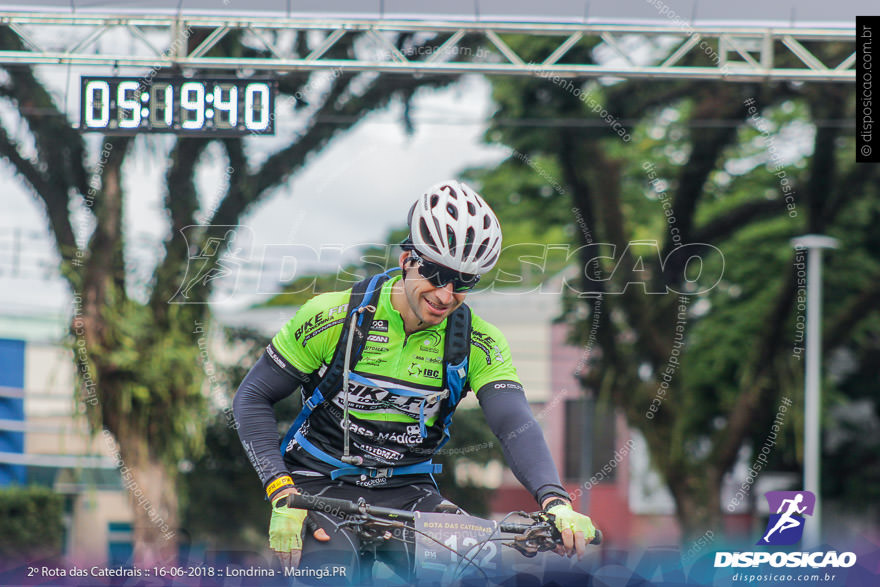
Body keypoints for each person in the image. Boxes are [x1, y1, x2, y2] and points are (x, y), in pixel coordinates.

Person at [233, 180, 597, 581]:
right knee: (331, 572)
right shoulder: (333, 317)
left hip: (408, 489)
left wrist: (555, 500)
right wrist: (281, 490)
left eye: (464, 282)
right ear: (408, 259)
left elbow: (514, 423)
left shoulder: (479, 342)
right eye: (437, 273)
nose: (445, 294)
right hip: (319, 482)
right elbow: (251, 398)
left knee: (471, 574)